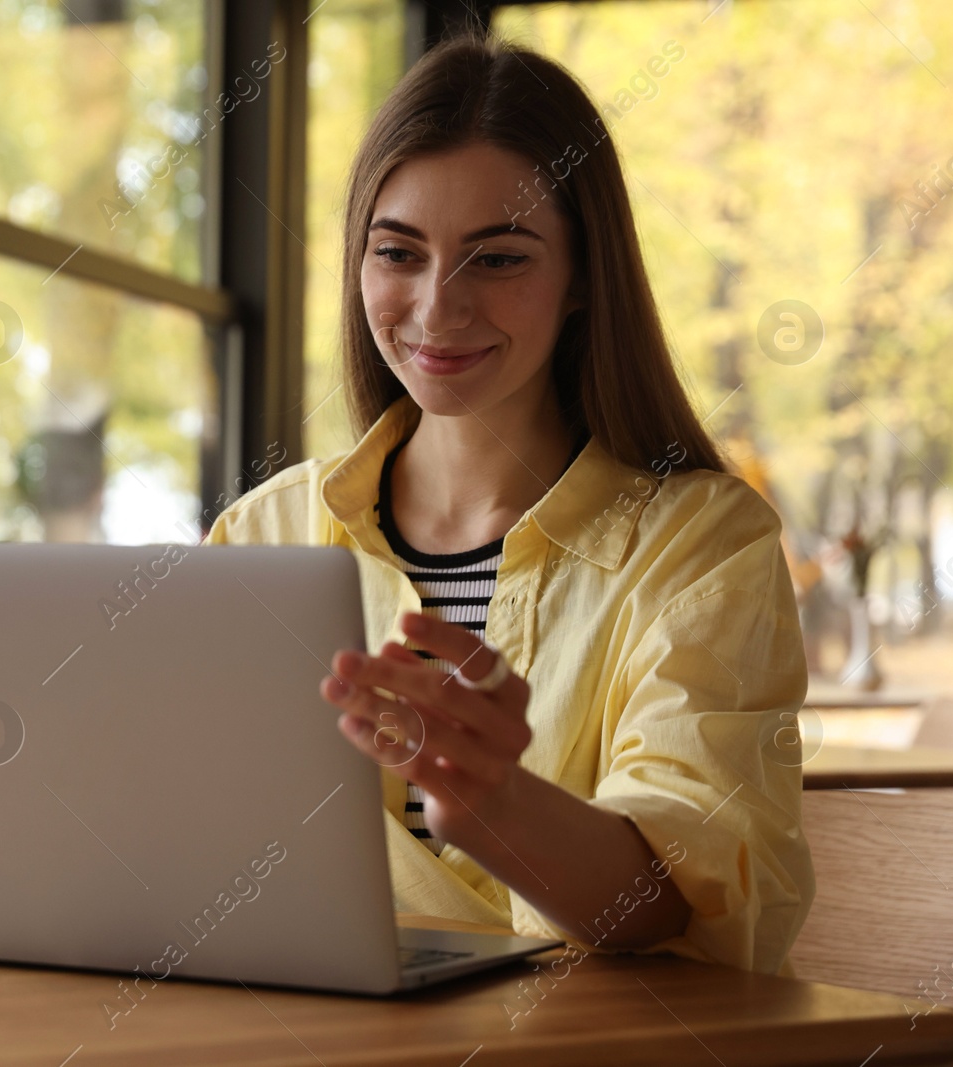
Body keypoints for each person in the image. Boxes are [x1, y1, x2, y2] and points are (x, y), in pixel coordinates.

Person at [205, 34, 813, 976]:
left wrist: (488, 799)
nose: (436, 308)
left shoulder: (702, 546)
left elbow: (677, 907)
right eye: (398, 252)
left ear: (581, 281)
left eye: (497, 260)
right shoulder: (262, 535)